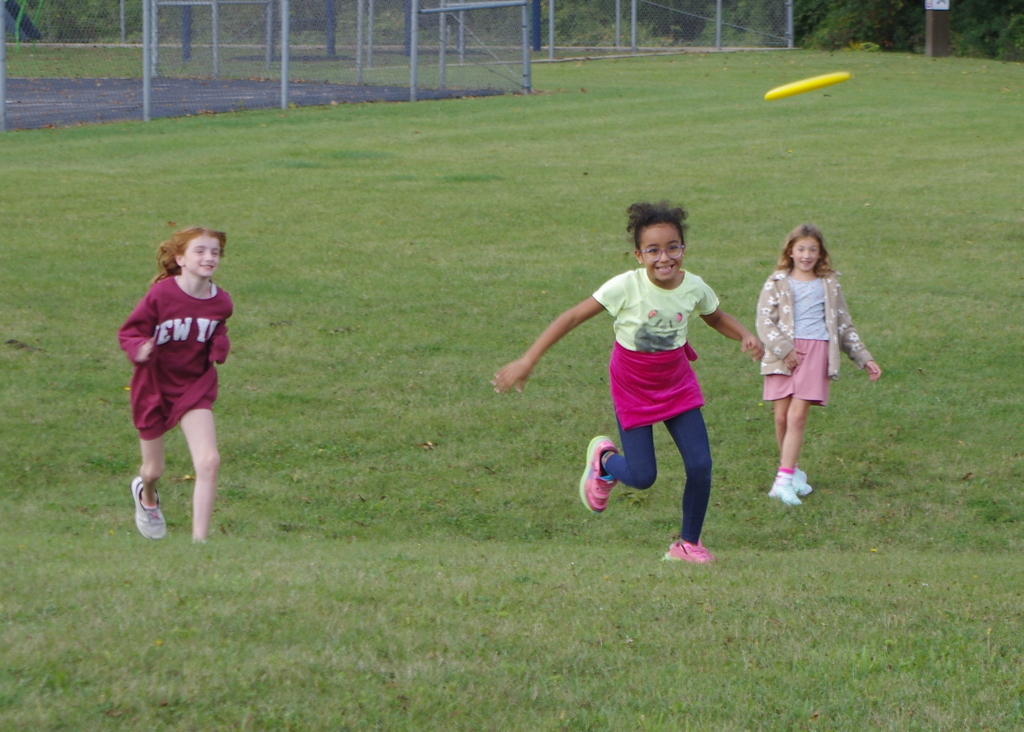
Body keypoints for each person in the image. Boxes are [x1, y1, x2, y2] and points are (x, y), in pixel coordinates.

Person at [492, 202, 763, 563]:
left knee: (700, 464)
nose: (664, 257)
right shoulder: (624, 287)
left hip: (676, 382)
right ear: (638, 255)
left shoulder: (694, 287)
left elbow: (716, 317)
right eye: (653, 250)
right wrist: (528, 359)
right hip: (633, 385)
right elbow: (572, 317)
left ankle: (687, 544)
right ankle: (604, 462)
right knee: (641, 475)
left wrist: (745, 335)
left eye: (673, 247)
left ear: (684, 249)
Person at [118, 228, 233, 542]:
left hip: (194, 386)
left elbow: (217, 329)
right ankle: (148, 497)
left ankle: (200, 543)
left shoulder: (221, 301)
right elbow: (129, 332)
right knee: (153, 470)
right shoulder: (161, 295)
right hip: (152, 386)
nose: (209, 257)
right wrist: (138, 348)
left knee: (209, 460)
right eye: (200, 251)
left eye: (215, 252)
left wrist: (220, 346)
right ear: (180, 258)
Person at [756, 224, 881, 506]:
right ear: (790, 250)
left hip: (816, 351)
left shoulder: (829, 284)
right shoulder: (776, 281)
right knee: (781, 417)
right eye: (801, 249)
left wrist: (864, 357)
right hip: (782, 353)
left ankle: (783, 481)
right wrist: (785, 350)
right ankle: (793, 471)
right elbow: (764, 321)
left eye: (813, 249)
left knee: (797, 417)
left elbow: (844, 325)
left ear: (820, 253)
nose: (806, 255)